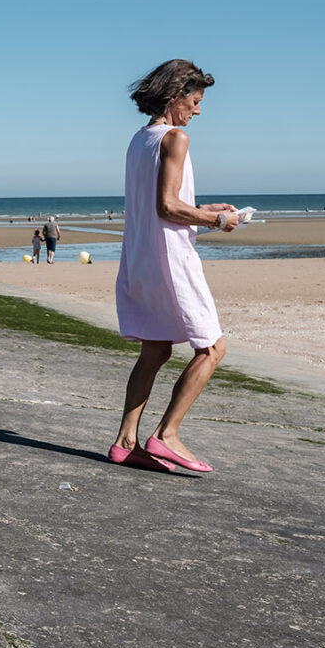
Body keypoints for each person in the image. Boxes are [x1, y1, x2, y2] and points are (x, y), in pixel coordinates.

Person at [110, 59, 238, 473]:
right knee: (212, 348)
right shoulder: (175, 138)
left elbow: (159, 202)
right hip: (172, 260)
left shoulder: (139, 140)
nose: (198, 110)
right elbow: (166, 206)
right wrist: (218, 221)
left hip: (141, 258)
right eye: (194, 101)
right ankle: (167, 434)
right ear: (173, 97)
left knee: (156, 348)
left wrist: (204, 209)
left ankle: (125, 442)